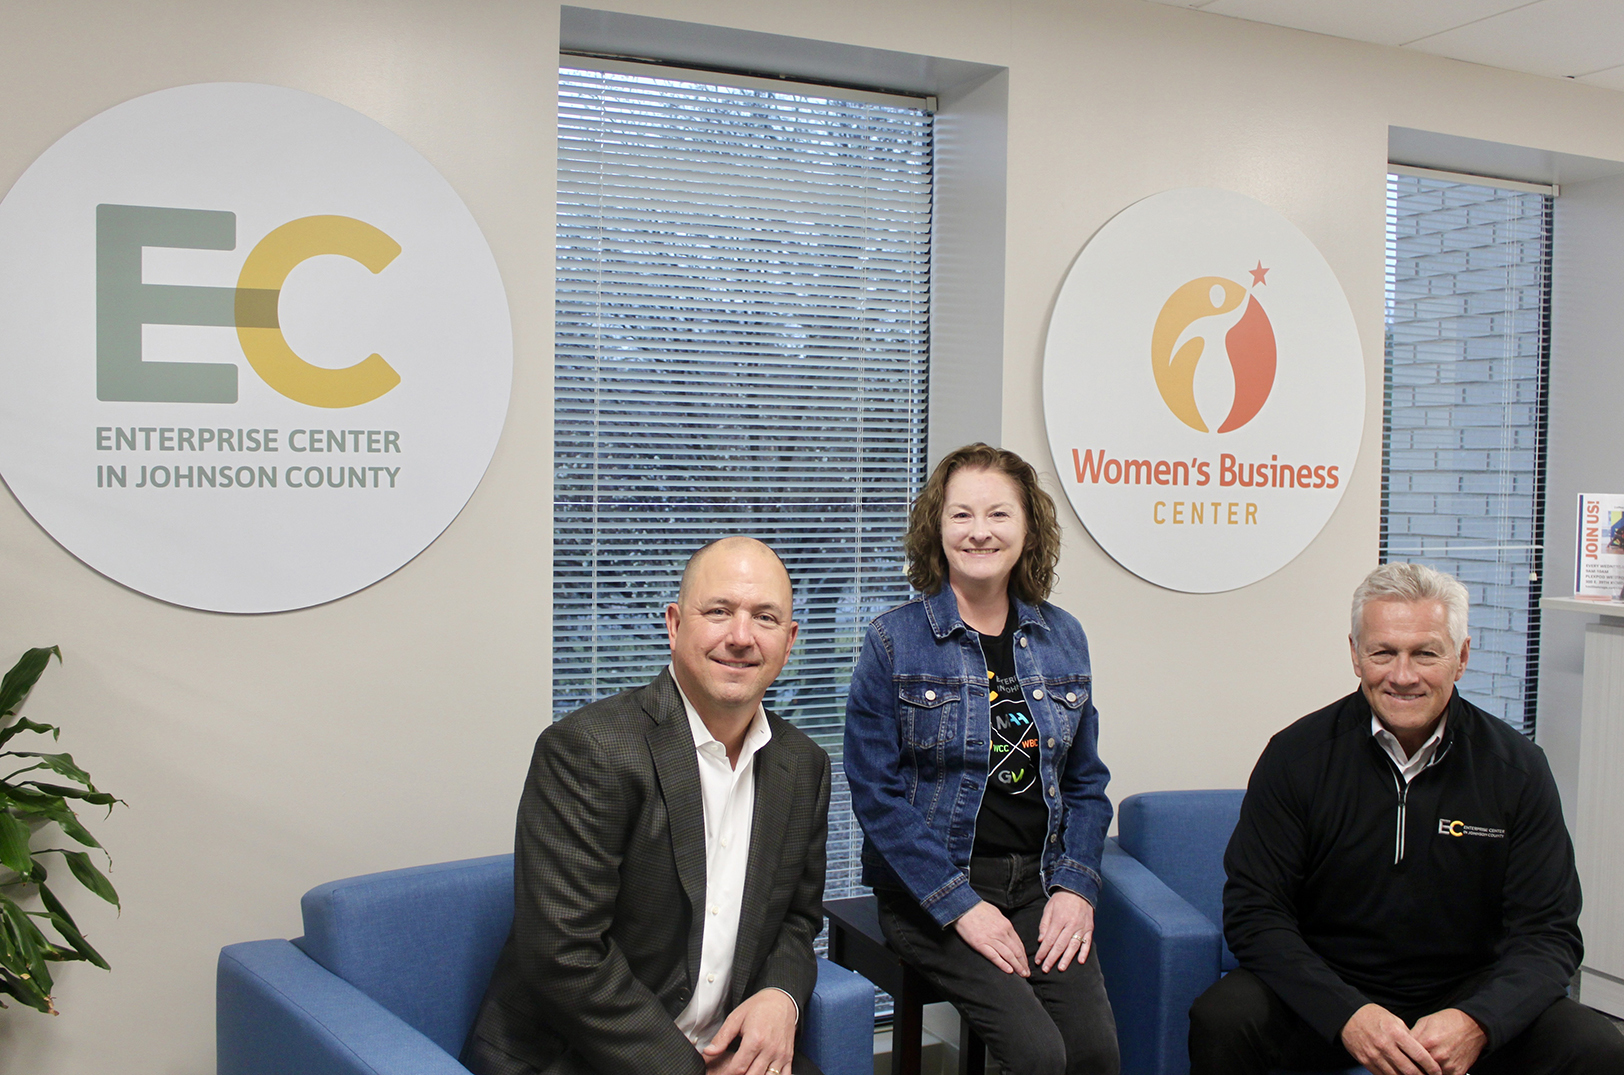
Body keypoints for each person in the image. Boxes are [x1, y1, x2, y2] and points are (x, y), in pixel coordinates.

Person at [1190, 562, 1624, 1075]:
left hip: (1468, 996)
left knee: (1595, 1046)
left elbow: (1550, 934)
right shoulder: (1295, 757)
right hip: (1329, 991)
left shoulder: (1518, 770)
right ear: (1355, 654)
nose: (1402, 675)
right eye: (1383, 653)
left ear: (1460, 658)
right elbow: (1254, 914)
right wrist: (1348, 1014)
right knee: (1224, 1017)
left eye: (1425, 653)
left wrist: (1478, 1020)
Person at [462, 536, 832, 1075]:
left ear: (790, 639)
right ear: (676, 625)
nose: (741, 636)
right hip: (583, 1058)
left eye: (766, 617)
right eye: (720, 611)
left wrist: (782, 996)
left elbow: (798, 920)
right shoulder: (588, 751)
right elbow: (565, 955)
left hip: (725, 1053)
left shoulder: (804, 766)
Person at [844, 442, 1119, 1075]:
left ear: (1028, 528)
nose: (980, 531)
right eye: (961, 514)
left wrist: (1076, 888)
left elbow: (1087, 783)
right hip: (933, 892)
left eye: (999, 514)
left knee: (1096, 1055)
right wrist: (961, 905)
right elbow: (876, 797)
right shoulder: (894, 640)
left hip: (1043, 886)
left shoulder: (1063, 635)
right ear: (936, 529)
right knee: (1038, 1054)